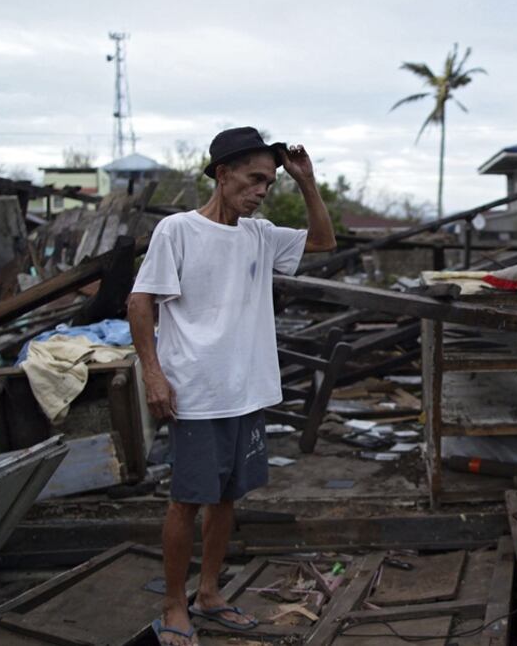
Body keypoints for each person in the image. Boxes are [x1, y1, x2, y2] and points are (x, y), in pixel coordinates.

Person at [128, 127, 336, 646]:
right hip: (196, 391)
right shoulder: (178, 230)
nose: (263, 190)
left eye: (269, 182)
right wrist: (153, 373)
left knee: (226, 498)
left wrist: (307, 182)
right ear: (222, 175)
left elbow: (323, 241)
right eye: (254, 179)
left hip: (245, 390)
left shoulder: (259, 235)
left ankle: (210, 593)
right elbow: (140, 302)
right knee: (186, 499)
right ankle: (176, 603)